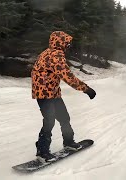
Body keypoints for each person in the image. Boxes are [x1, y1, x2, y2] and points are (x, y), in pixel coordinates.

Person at [31, 31, 96, 162]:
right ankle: (42, 151)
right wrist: (86, 89)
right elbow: (68, 77)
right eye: (67, 43)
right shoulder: (55, 55)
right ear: (61, 42)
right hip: (45, 94)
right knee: (49, 120)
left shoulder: (47, 52)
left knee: (64, 117)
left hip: (52, 93)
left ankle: (69, 142)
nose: (68, 46)